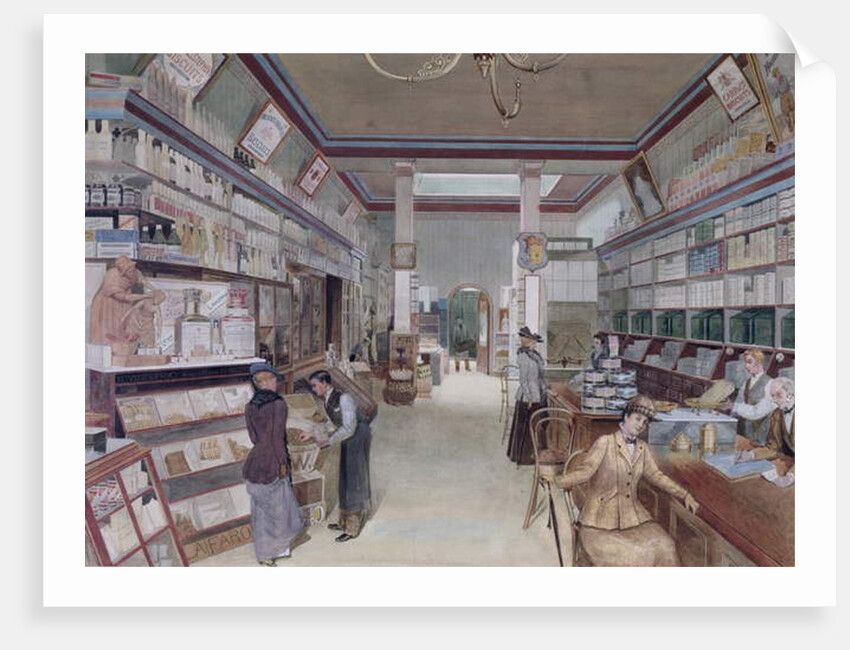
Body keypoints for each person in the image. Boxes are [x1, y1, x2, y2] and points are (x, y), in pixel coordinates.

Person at [556, 395, 699, 566]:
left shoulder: (642, 448)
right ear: (626, 416)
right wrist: (557, 481)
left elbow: (656, 476)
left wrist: (685, 495)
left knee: (666, 545)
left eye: (645, 422)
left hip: (633, 518)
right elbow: (584, 473)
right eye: (638, 418)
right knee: (631, 554)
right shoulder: (605, 442)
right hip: (599, 522)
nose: (641, 424)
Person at [242, 362, 304, 566]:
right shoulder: (279, 404)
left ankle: (264, 554)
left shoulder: (250, 406)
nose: (276, 383)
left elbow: (253, 437)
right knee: (281, 509)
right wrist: (282, 463)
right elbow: (278, 438)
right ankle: (278, 549)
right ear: (266, 381)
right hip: (273, 461)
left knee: (261, 511)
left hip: (255, 462)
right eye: (274, 379)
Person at [302, 370, 372, 543]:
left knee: (354, 480)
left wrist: (327, 442)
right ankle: (343, 521)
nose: (313, 389)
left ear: (325, 384)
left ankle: (352, 528)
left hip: (358, 437)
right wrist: (313, 433)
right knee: (344, 479)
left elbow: (349, 427)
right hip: (348, 438)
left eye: (315, 385)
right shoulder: (327, 399)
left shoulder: (344, 398)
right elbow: (332, 423)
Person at [735, 376, 795, 487]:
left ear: (790, 395)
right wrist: (751, 455)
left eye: (779, 395)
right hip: (789, 462)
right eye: (773, 396)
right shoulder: (777, 414)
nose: (775, 400)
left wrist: (791, 476)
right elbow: (773, 447)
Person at [90, 255, 157, 345]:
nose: (132, 272)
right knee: (109, 329)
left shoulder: (134, 272)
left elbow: (144, 282)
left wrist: (155, 290)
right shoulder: (112, 276)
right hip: (107, 304)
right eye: (129, 271)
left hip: (124, 303)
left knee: (123, 328)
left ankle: (122, 351)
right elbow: (125, 297)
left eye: (132, 269)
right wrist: (145, 296)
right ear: (122, 272)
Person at [507, 326, 548, 465]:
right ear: (527, 342)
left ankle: (536, 454)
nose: (535, 344)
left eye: (535, 342)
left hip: (537, 393)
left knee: (536, 424)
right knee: (525, 428)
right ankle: (523, 457)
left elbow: (540, 375)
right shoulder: (523, 356)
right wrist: (529, 397)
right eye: (533, 342)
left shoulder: (535, 355)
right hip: (527, 397)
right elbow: (523, 380)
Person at [730, 349, 773, 445]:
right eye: (746, 362)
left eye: (749, 362)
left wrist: (733, 406)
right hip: (743, 433)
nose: (746, 366)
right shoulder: (747, 382)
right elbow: (739, 403)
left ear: (759, 362)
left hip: (760, 435)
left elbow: (757, 412)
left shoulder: (770, 384)